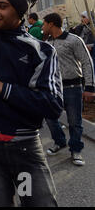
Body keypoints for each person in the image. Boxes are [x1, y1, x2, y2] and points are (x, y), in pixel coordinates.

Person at [0, 0, 63, 207]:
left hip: (24, 153)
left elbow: (52, 104)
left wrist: (1, 87)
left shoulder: (41, 51)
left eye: (2, 6)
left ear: (20, 11)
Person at [42, 13, 95, 166]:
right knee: (50, 118)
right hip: (52, 88)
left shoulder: (73, 40)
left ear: (51, 24)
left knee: (74, 121)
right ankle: (59, 141)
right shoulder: (46, 43)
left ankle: (76, 150)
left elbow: (86, 62)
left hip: (73, 87)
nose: (42, 27)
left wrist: (90, 87)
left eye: (44, 24)